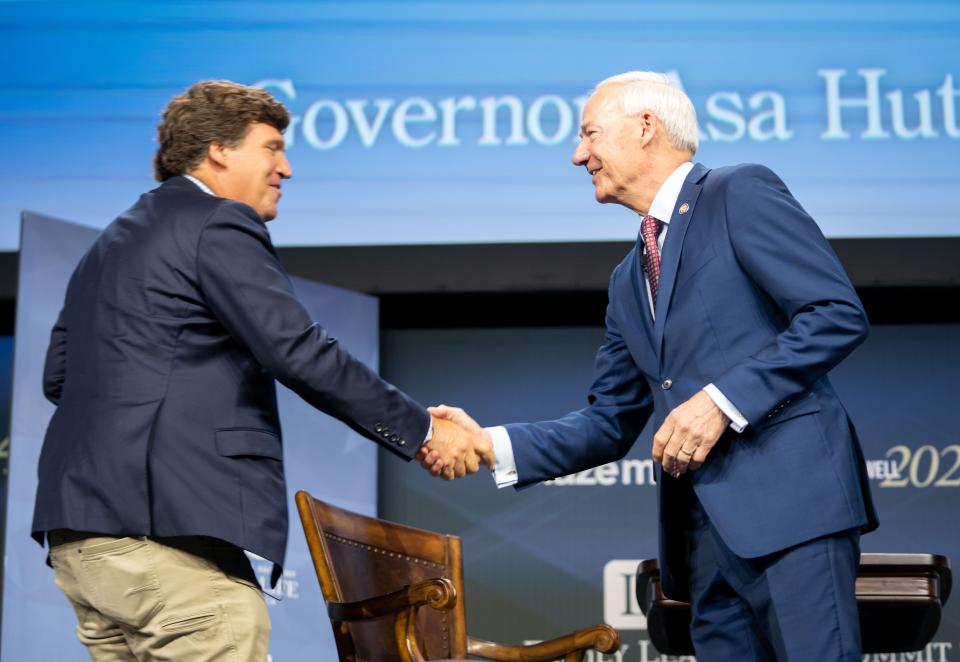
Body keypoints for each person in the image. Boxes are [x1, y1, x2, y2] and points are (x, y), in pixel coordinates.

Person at [32, 79, 492, 661]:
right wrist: (425, 431)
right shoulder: (215, 221)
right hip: (170, 543)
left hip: (84, 544)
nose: (287, 168)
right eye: (272, 147)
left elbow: (59, 379)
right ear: (220, 150)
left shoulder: (110, 244)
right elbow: (297, 349)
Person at [425, 71, 877, 661]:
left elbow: (835, 312)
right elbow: (610, 420)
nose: (577, 154)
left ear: (645, 127)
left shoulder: (736, 193)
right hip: (703, 547)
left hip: (792, 515)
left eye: (589, 134)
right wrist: (489, 443)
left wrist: (720, 402)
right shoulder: (626, 279)